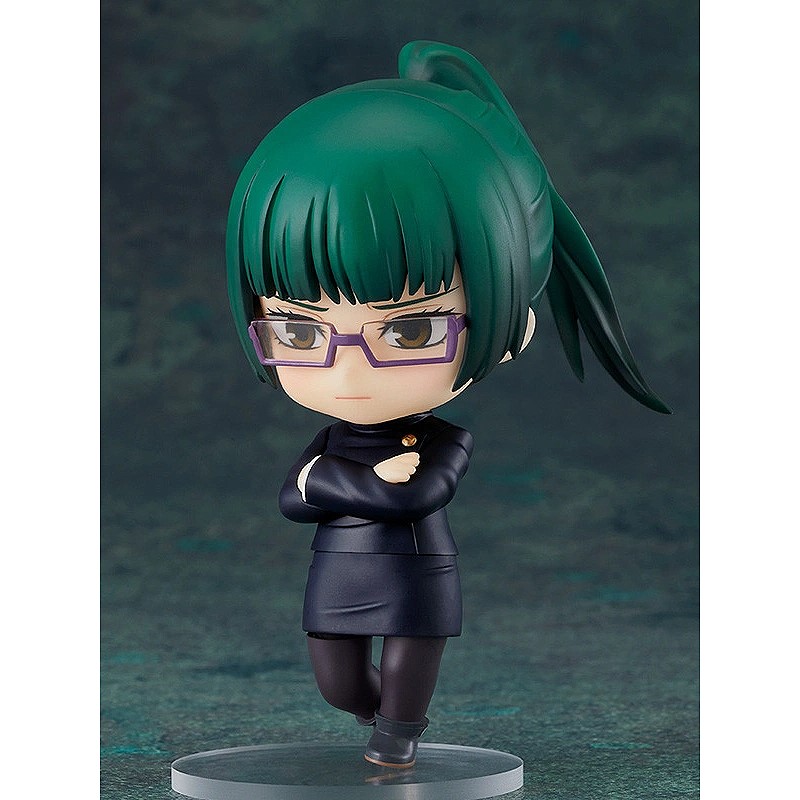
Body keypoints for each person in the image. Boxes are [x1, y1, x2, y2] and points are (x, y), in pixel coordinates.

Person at [225, 40, 669, 768]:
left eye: (408, 331)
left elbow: (411, 495)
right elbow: (292, 499)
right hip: (337, 573)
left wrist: (329, 482)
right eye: (300, 331)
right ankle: (378, 720)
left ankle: (398, 739)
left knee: (406, 677)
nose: (348, 370)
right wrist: (352, 482)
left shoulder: (445, 439)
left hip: (415, 577)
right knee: (338, 684)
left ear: (511, 330)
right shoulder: (334, 441)